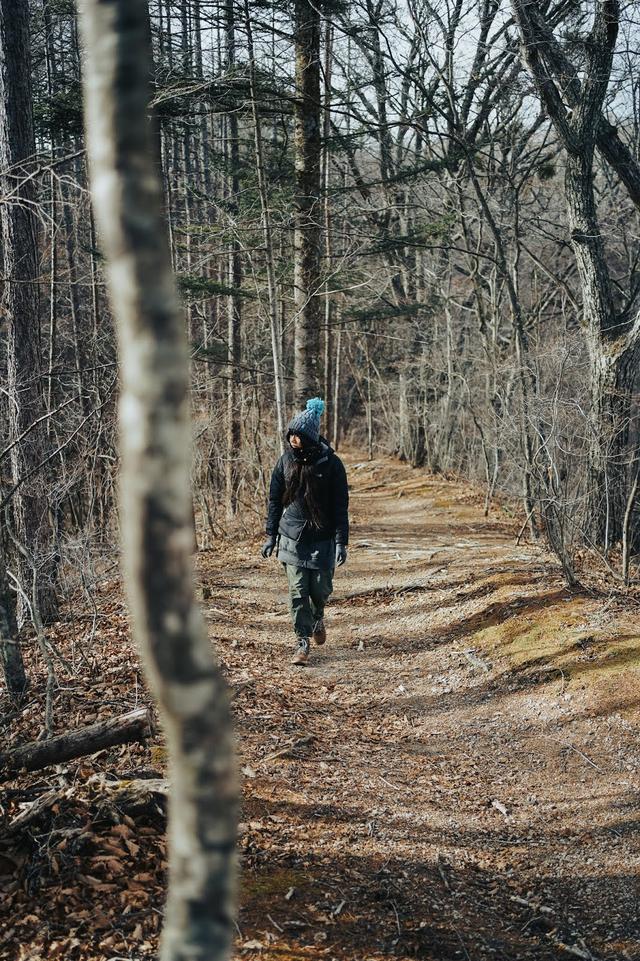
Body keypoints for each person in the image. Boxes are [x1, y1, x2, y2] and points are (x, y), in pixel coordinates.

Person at [260, 398, 349, 665]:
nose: (293, 439)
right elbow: (275, 500)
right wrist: (270, 535)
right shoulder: (285, 461)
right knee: (298, 590)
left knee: (320, 589)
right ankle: (302, 641)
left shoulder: (332, 465)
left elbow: (340, 506)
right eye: (291, 434)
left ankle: (318, 616)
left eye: (298, 435)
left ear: (310, 437)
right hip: (292, 537)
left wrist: (341, 542)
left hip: (323, 536)